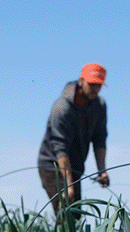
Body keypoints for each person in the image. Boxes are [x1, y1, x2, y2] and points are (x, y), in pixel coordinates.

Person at [37, 62, 109, 218]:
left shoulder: (99, 106)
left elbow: (100, 139)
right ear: (81, 81)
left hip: (75, 166)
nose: (95, 90)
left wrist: (102, 171)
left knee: (75, 215)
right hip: (52, 164)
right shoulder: (62, 107)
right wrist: (69, 186)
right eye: (92, 85)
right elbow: (60, 148)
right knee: (65, 213)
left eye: (99, 85)